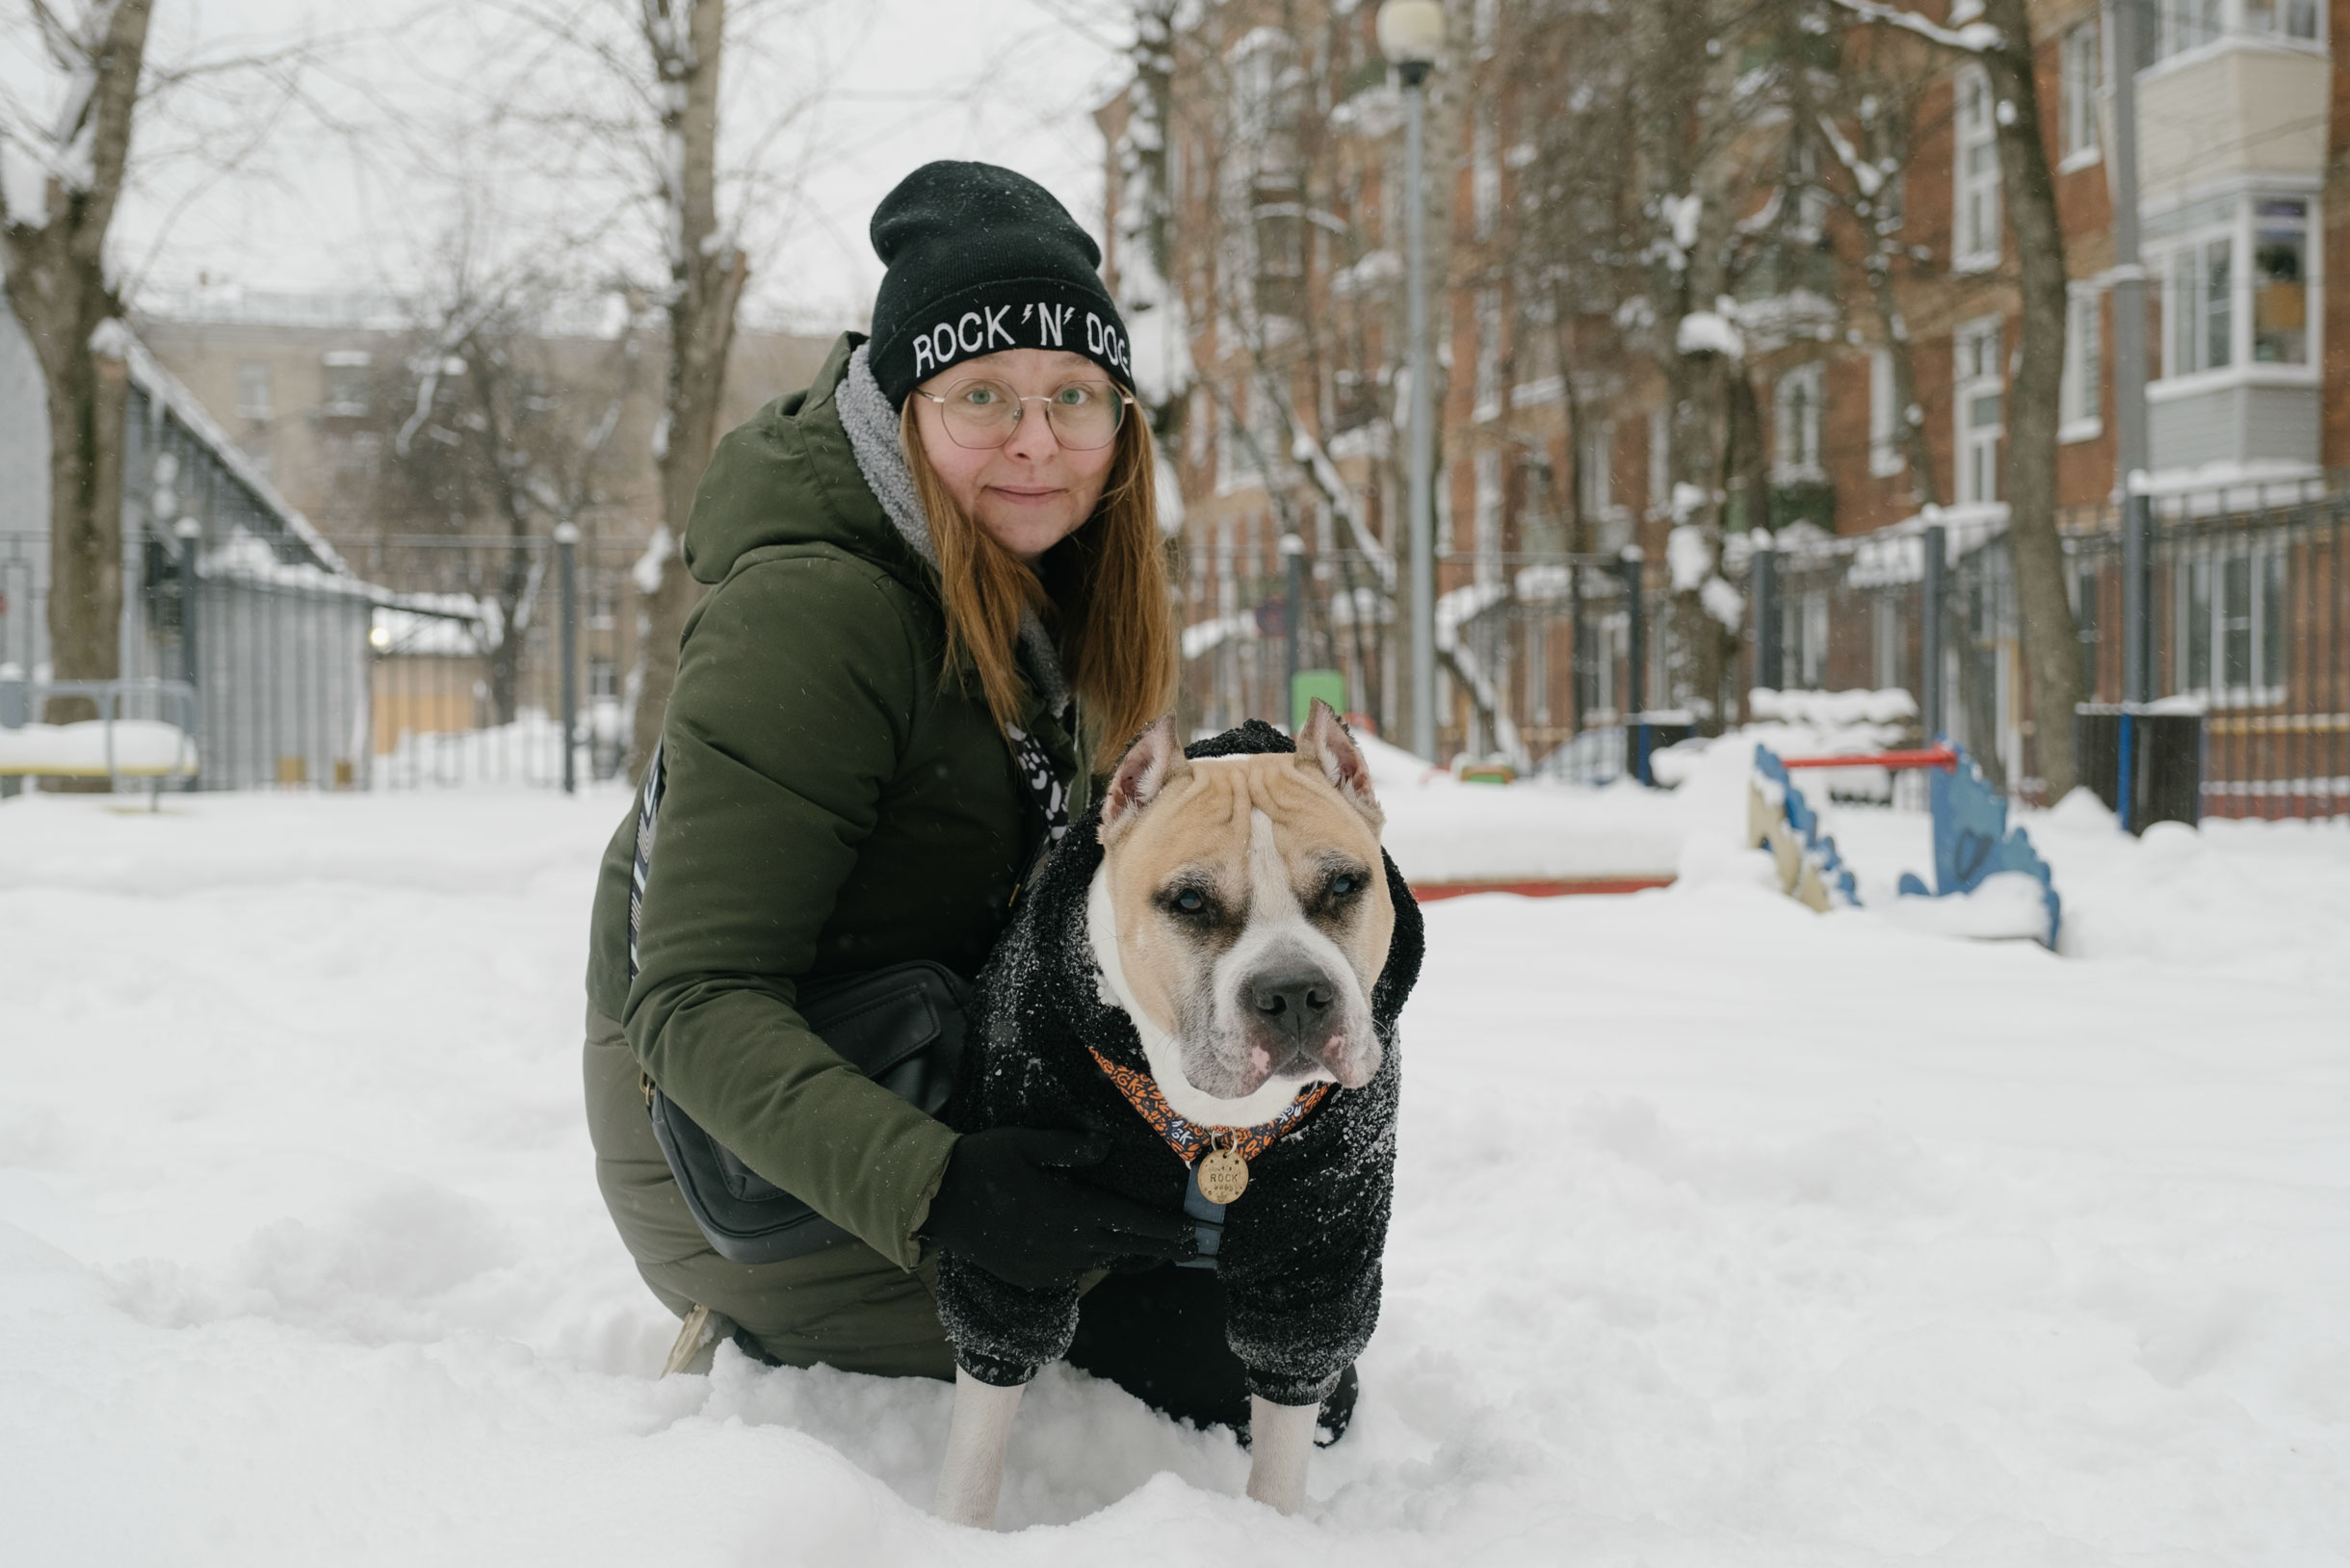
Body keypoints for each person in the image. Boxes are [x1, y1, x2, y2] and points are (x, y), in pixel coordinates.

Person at [580, 161, 1269, 1427]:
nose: (1036, 440)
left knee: (1274, 1290)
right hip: (745, 1170)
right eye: (982, 397)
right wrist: (944, 1192)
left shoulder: (1062, 589)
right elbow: (690, 1003)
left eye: (1076, 395)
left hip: (946, 1069)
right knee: (1213, 1354)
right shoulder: (814, 612)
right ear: (905, 408)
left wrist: (1209, 801)